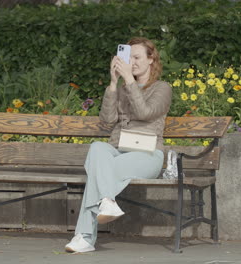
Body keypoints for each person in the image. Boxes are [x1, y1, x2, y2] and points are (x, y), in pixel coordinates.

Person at [65, 37, 172, 253]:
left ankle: (84, 237)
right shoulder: (122, 89)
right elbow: (106, 122)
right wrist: (114, 84)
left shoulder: (162, 88)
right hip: (118, 150)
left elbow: (145, 113)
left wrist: (130, 83)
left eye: (137, 57)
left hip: (148, 155)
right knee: (96, 147)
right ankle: (107, 202)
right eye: (128, 57)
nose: (131, 62)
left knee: (97, 173)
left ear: (151, 59)